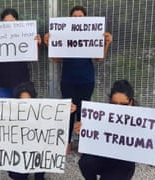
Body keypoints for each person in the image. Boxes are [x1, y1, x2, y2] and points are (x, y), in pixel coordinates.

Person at [43, 5, 113, 154]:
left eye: (80, 17)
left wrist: (107, 42)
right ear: (70, 19)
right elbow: (56, 59)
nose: (77, 19)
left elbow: (99, 58)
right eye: (74, 17)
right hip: (68, 80)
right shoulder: (64, 35)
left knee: (84, 112)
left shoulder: (92, 35)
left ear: (85, 19)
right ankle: (67, 142)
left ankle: (83, 142)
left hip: (86, 80)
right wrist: (50, 43)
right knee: (68, 112)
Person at [0, 81, 77, 180]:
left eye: (29, 101)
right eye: (22, 102)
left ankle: (39, 175)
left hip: (36, 154)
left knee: (43, 159)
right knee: (18, 176)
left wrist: (67, 109)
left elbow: (55, 122)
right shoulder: (8, 114)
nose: (25, 105)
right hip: (17, 155)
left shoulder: (41, 112)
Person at [73, 79, 155, 180]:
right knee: (85, 162)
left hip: (123, 164)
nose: (118, 108)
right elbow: (91, 140)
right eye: (114, 103)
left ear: (131, 102)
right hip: (102, 158)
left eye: (123, 104)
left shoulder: (140, 120)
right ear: (110, 101)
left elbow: (145, 141)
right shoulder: (101, 115)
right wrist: (81, 128)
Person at [0, 8, 42, 98]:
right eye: (6, 22)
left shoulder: (25, 34)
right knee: (4, 111)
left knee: (22, 111)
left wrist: (36, 44)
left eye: (12, 22)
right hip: (1, 82)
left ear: (17, 22)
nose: (9, 25)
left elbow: (35, 57)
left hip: (22, 83)